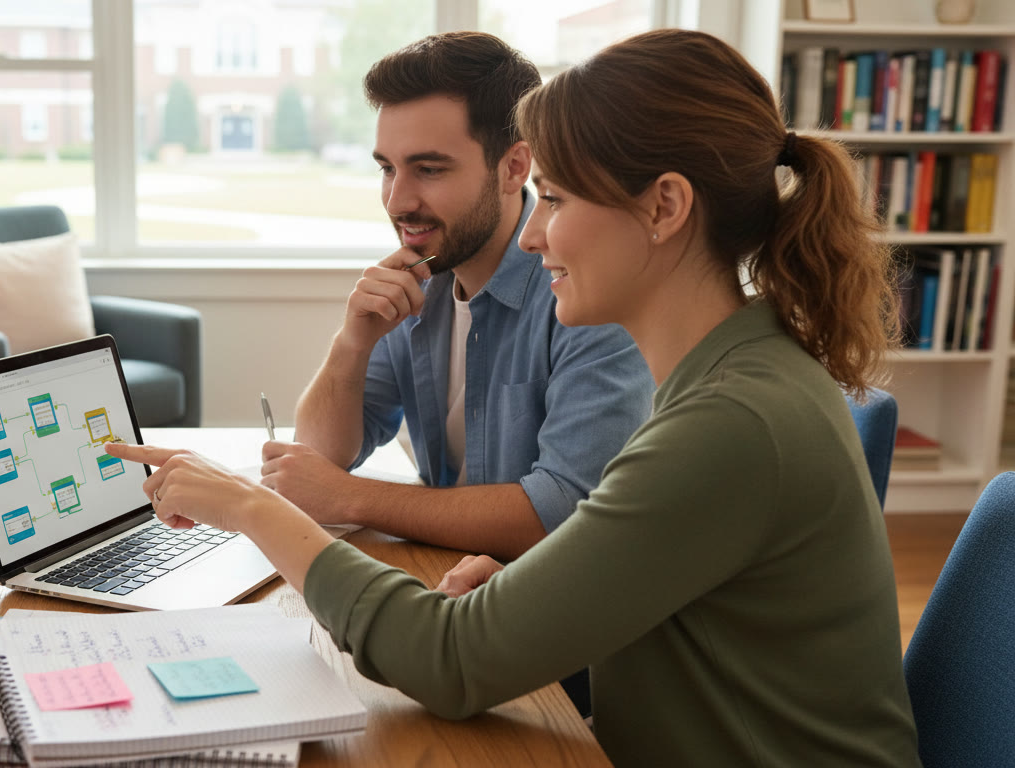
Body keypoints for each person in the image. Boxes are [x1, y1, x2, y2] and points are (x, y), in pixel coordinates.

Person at [107, 28, 921, 768]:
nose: (534, 234)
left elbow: (451, 662)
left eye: (559, 200)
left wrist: (254, 508)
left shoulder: (732, 421)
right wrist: (530, 587)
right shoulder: (731, 376)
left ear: (665, 207)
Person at [266, 32, 652, 563]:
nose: (397, 201)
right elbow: (318, 458)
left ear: (515, 167)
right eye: (387, 168)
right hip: (452, 581)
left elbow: (567, 512)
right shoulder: (422, 275)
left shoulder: (586, 294)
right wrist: (351, 344)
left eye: (429, 169)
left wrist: (351, 499)